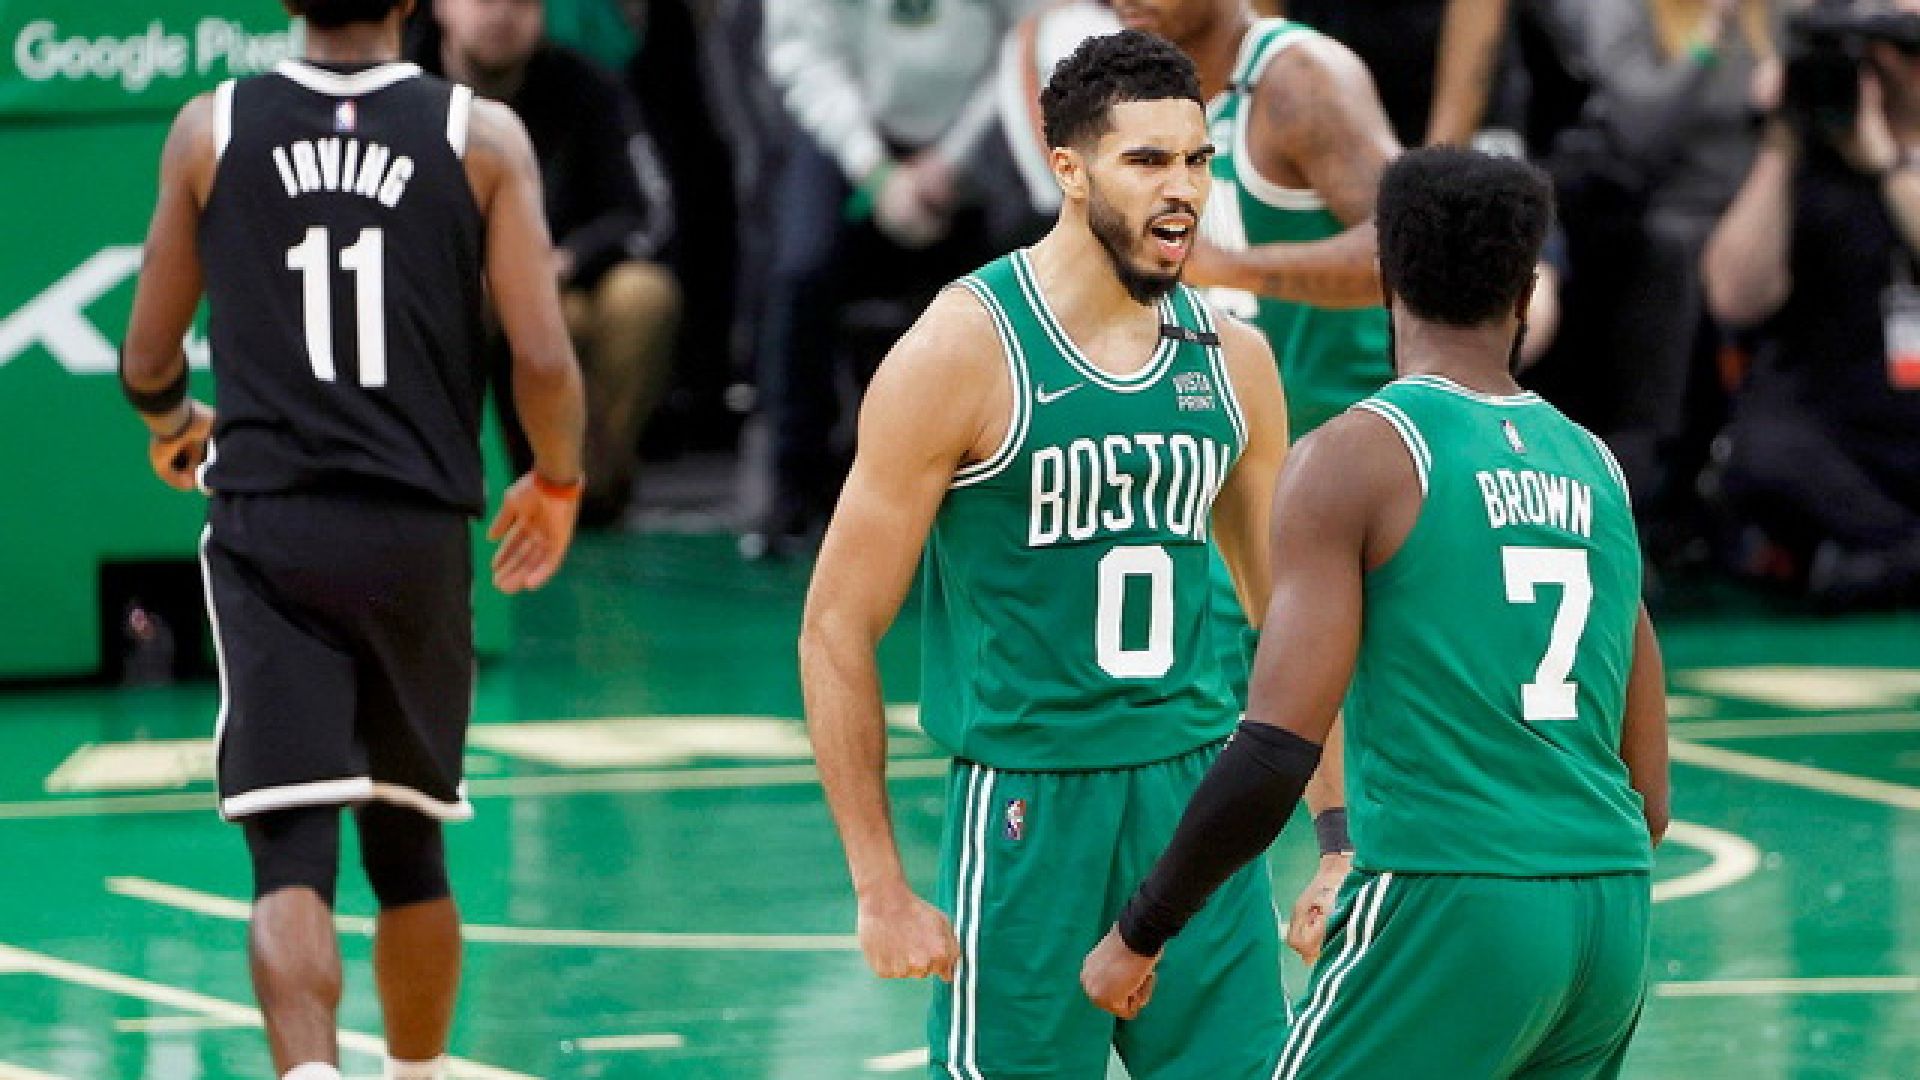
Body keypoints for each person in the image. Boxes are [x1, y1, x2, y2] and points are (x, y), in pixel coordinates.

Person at [801, 31, 1328, 1079]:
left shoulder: (1234, 359)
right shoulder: (961, 350)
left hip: (1199, 801)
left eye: (1197, 160)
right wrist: (879, 886)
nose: (1182, 188)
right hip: (1029, 809)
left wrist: (1339, 836)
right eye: (1147, 161)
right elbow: (835, 628)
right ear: (1069, 168)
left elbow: (1293, 619)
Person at [1084, 147, 1672, 1079]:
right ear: (1526, 291)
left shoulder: (1360, 456)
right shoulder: (1596, 468)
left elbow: (1276, 748)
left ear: (1385, 277)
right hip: (1611, 919)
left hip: (1451, 898)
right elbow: (1651, 793)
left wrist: (1141, 928)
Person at [118, 2, 586, 1078]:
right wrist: (558, 479)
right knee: (409, 842)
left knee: (290, 845)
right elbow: (544, 360)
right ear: (411, 2)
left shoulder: (211, 128)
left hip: (271, 526)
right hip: (415, 530)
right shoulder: (481, 135)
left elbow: (147, 357)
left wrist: (171, 420)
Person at [418, 0, 681, 526]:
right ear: (441, 7)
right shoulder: (407, 92)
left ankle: (585, 481)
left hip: (562, 279)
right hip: (453, 285)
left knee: (642, 297)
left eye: (520, 1)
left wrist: (566, 260)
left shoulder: (586, 84)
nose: (501, 14)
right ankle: (455, 477)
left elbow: (645, 211)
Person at [1704, 0, 1920, 608]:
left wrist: (1887, 166)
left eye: (1908, 48)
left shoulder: (1893, 164)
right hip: (1833, 431)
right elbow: (1733, 298)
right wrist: (1781, 144)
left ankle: (1879, 563)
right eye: (1880, 51)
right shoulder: (1807, 161)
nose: (1895, 68)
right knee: (1766, 454)